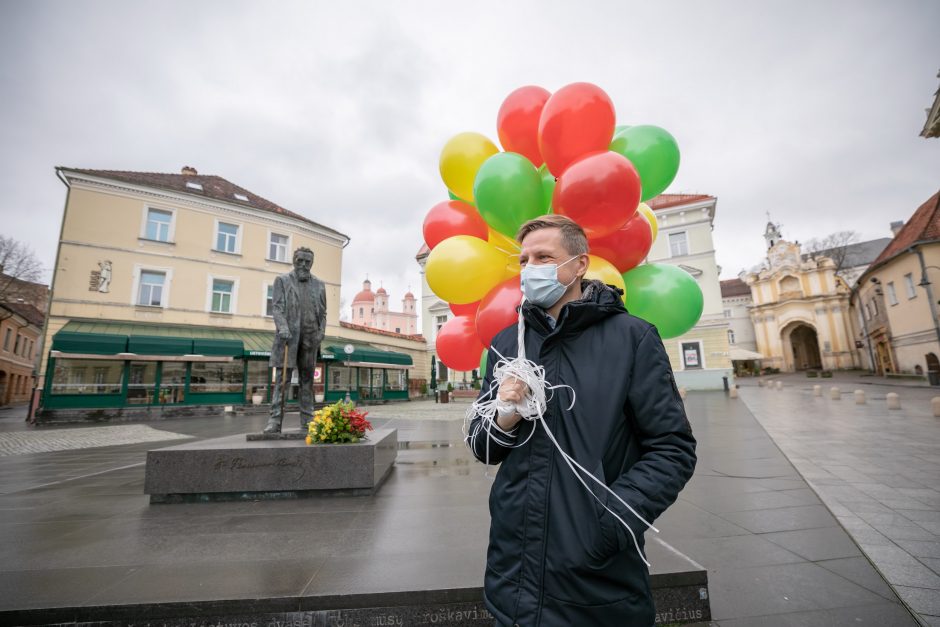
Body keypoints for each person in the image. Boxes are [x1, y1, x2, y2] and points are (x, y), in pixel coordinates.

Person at [466, 215, 697, 626]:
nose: (529, 268)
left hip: (596, 578)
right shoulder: (506, 342)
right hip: (513, 565)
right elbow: (484, 448)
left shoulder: (632, 338)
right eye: (523, 260)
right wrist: (503, 415)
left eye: (543, 257)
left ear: (579, 264)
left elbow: (672, 449)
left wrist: (609, 521)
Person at [264, 246, 327, 433]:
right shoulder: (282, 281)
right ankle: (275, 420)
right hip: (288, 339)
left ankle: (308, 421)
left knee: (307, 381)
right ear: (294, 260)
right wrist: (283, 327)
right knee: (283, 381)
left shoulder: (319, 284)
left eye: (308, 261)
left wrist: (320, 333)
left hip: (310, 338)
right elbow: (276, 308)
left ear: (312, 263)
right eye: (300, 260)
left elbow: (323, 313)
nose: (304, 265)